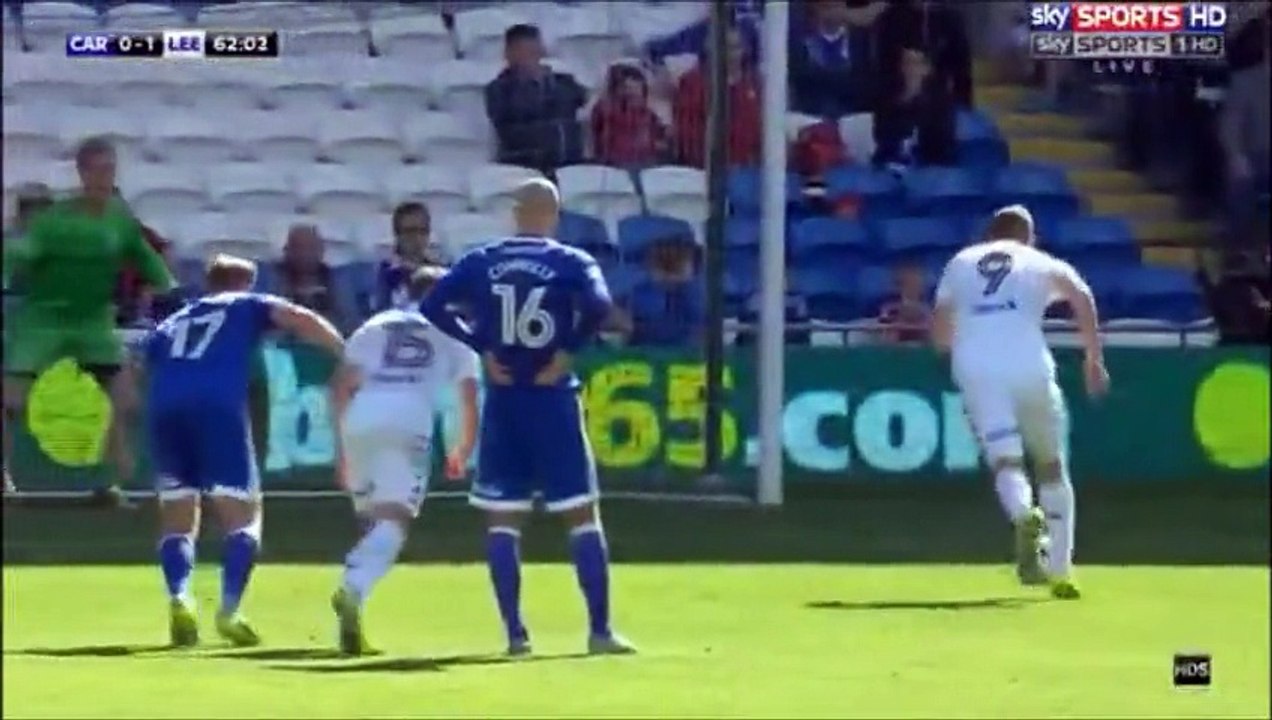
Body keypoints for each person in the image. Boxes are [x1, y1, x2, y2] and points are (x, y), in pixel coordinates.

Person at [420, 178, 635, 657]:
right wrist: (568, 350)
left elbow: (432, 304)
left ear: (515, 214)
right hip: (551, 396)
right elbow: (600, 306)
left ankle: (516, 635)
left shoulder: (482, 259)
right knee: (580, 513)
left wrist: (481, 346)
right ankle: (599, 631)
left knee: (503, 518)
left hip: (504, 398)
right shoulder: (571, 261)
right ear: (553, 215)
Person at [129, 254, 344, 647]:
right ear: (246, 283)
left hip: (165, 408)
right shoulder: (245, 304)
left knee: (178, 514)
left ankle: (180, 596)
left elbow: (135, 367)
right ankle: (229, 609)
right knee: (245, 515)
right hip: (217, 406)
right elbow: (300, 318)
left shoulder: (175, 320)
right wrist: (344, 352)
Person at [931, 205, 1109, 600]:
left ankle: (1024, 515)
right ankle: (1060, 570)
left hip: (978, 366)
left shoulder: (961, 262)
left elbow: (941, 320)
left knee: (1005, 460)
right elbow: (1081, 296)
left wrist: (945, 355)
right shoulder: (1038, 261)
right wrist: (1093, 358)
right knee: (1052, 465)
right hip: (1030, 364)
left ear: (989, 233)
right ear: (1028, 236)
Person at [4, 138, 173, 501]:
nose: (103, 177)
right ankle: (4, 478)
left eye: (109, 170)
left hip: (93, 321)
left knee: (126, 400)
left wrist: (166, 289)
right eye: (96, 170)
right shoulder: (55, 221)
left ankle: (117, 483)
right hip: (45, 320)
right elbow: (20, 255)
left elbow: (150, 264)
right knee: (11, 402)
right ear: (81, 173)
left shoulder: (120, 220)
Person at [328, 265, 479, 656]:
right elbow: (468, 395)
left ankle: (354, 618)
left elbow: (341, 385)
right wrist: (462, 448)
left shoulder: (376, 324)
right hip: (409, 419)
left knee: (372, 519)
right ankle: (353, 585)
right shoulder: (454, 330)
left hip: (361, 416)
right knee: (395, 519)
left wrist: (342, 450)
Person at [484, 23, 587, 174]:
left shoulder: (564, 83)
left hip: (571, 162)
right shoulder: (499, 90)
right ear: (509, 54)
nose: (531, 57)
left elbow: (587, 105)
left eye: (534, 51)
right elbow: (509, 131)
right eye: (524, 51)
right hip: (524, 166)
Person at [375, 202, 442, 311]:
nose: (417, 237)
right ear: (397, 234)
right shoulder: (384, 273)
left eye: (423, 231)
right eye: (410, 231)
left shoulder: (439, 272)